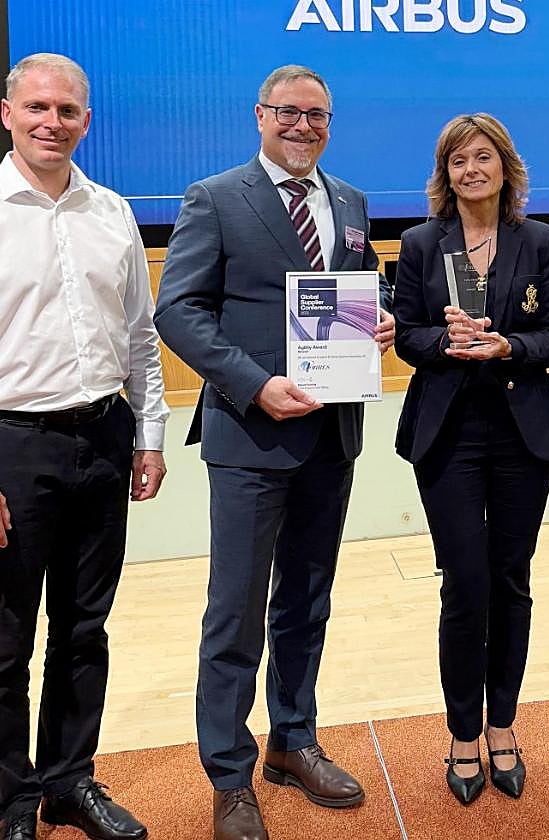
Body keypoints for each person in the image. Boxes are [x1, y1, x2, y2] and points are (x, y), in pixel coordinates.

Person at [0, 53, 168, 840]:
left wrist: (148, 434)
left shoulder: (113, 212)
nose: (51, 122)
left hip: (104, 436)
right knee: (4, 641)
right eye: (37, 108)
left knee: (85, 630)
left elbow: (139, 335)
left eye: (67, 111)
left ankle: (70, 782)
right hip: (10, 449)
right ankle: (14, 802)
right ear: (7, 113)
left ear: (86, 121)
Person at [153, 65, 395, 840]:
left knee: (306, 602)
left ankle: (293, 741)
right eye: (288, 113)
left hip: (331, 437)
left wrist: (379, 322)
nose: (303, 127)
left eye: (317, 115)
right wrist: (254, 385)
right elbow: (178, 311)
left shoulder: (351, 202)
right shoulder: (214, 198)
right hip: (251, 436)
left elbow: (360, 291)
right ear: (260, 116)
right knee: (234, 612)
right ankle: (229, 775)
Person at [393, 114, 549, 804]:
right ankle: (462, 733)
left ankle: (503, 726)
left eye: (483, 157)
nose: (472, 170)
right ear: (446, 173)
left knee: (511, 581)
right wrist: (444, 342)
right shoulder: (416, 243)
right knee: (465, 583)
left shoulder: (541, 242)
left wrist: (508, 348)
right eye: (459, 160)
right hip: (449, 434)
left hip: (523, 434)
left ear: (505, 167)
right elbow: (405, 333)